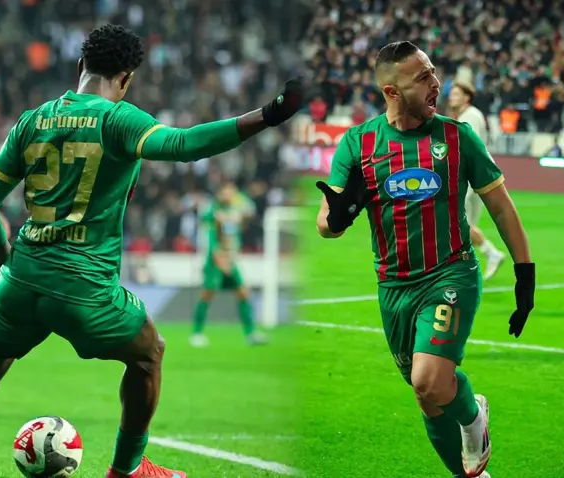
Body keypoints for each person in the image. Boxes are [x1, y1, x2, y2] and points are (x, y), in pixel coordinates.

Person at [0, 24, 304, 478]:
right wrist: (268, 115)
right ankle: (129, 469)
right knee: (148, 354)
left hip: (22, 277)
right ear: (126, 79)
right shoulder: (118, 118)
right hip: (84, 285)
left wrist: (5, 256)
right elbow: (184, 144)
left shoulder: (33, 120)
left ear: (80, 67)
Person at [315, 41, 535, 478]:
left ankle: (474, 417)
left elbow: (501, 207)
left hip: (450, 273)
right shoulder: (359, 144)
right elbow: (326, 223)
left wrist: (524, 274)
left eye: (433, 72)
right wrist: (337, 217)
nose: (437, 83)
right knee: (427, 396)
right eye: (423, 78)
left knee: (429, 380)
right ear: (392, 92)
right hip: (393, 287)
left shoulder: (457, 137)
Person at [190, 181, 268, 347]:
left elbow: (248, 214)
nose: (228, 194)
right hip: (215, 260)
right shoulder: (212, 210)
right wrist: (218, 256)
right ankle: (196, 334)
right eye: (225, 191)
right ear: (220, 193)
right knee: (207, 294)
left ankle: (251, 334)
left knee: (243, 293)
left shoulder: (235, 209)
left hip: (231, 259)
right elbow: (209, 235)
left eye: (231, 192)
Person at [447, 82, 506, 280]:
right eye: (452, 94)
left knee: (456, 221)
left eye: (456, 94)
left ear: (467, 97)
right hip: (474, 176)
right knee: (463, 225)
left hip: (468, 176)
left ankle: (489, 253)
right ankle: (471, 264)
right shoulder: (467, 116)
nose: (452, 97)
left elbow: (465, 146)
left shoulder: (470, 116)